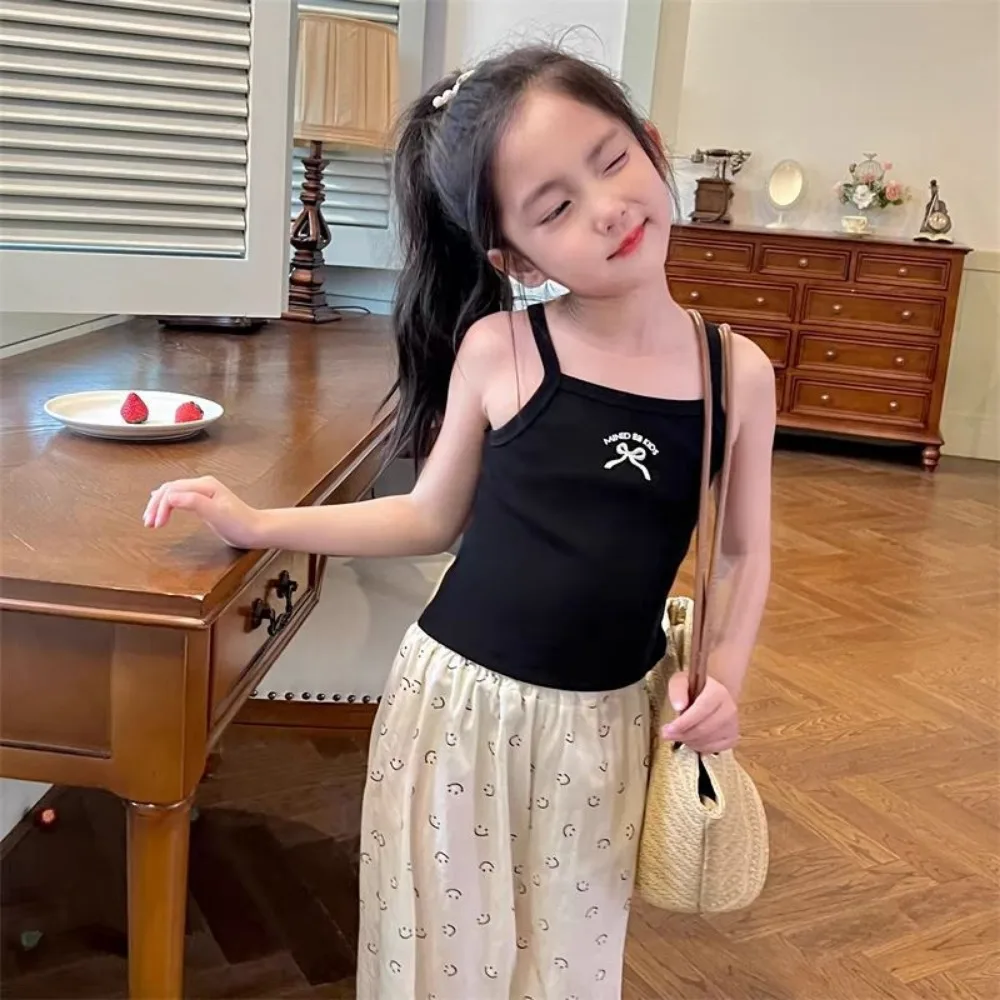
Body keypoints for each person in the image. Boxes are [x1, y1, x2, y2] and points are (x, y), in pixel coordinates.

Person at [143, 43, 775, 1000]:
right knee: (438, 963)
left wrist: (725, 677)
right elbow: (428, 517)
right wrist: (256, 521)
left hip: (611, 723)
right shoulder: (501, 349)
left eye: (611, 160)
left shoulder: (738, 373)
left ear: (652, 146)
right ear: (514, 257)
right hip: (458, 711)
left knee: (568, 963)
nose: (606, 208)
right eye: (554, 208)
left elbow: (742, 553)